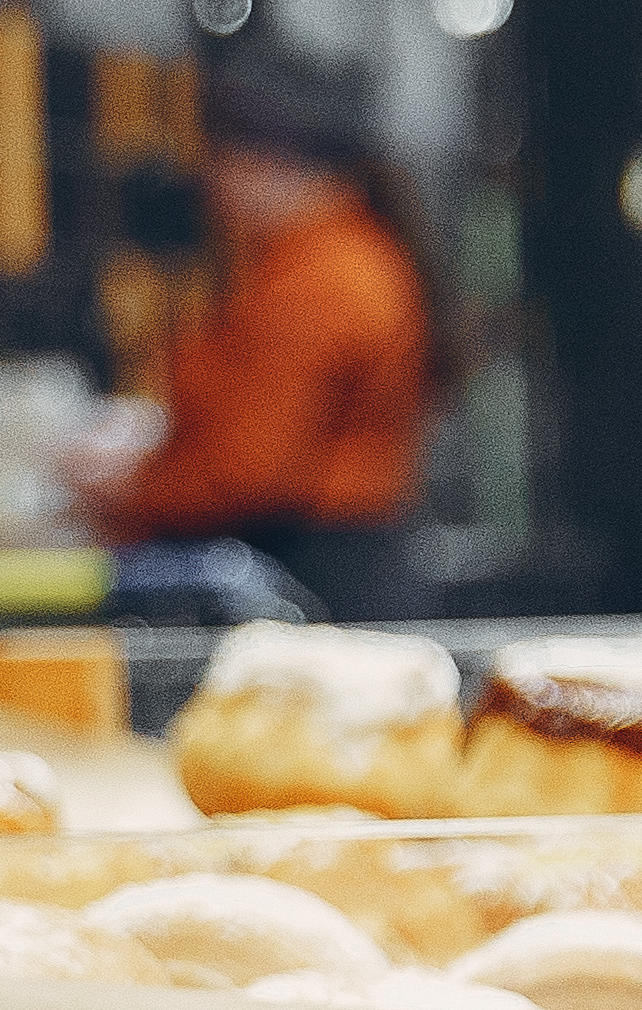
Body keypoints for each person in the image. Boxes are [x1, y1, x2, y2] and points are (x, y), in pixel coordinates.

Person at [83, 76, 433, 618]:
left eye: (219, 162)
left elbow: (246, 472)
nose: (211, 188)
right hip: (337, 562)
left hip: (306, 571)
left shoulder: (320, 277)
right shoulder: (348, 253)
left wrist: (129, 497)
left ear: (269, 162)